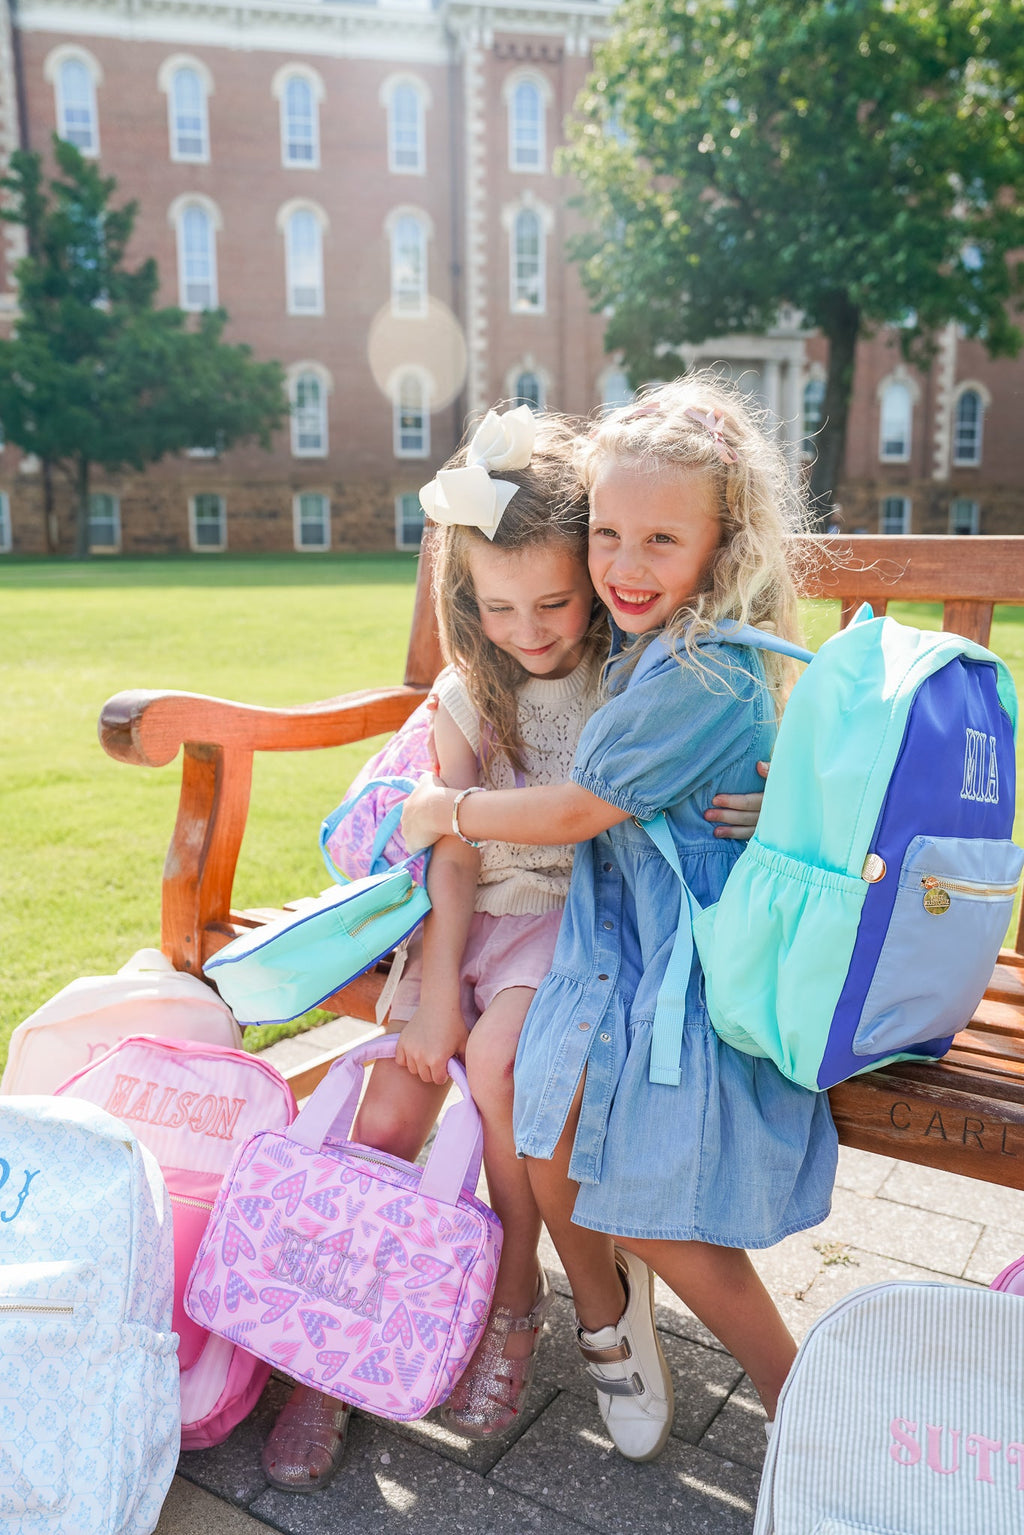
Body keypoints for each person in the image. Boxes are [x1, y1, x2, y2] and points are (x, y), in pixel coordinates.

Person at [260, 401, 766, 1489]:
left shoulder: (626, 672)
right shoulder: (470, 684)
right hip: (458, 923)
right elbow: (449, 853)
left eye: (552, 602)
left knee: (499, 1071)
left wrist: (766, 798)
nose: (528, 629)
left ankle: (513, 1299)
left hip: (562, 922)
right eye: (497, 607)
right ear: (466, 601)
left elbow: (700, 759)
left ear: (586, 579)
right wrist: (438, 985)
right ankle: (325, 1358)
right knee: (390, 1108)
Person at [401, 373, 839, 1464]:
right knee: (547, 1111)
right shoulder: (654, 648)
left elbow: (578, 809)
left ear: (723, 544)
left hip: (681, 965)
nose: (625, 565)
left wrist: (447, 807)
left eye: (661, 539)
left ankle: (805, 1400)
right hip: (619, 939)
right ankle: (624, 1319)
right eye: (608, 533)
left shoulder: (691, 669)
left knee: (621, 1179)